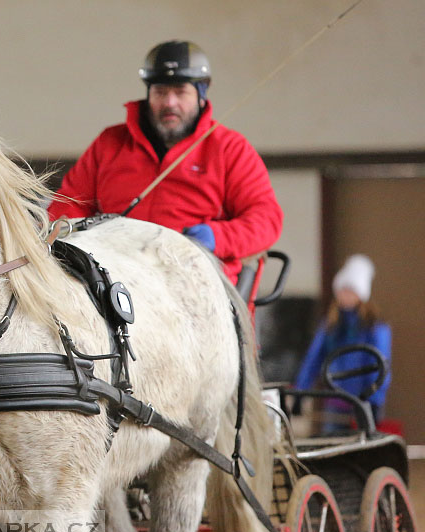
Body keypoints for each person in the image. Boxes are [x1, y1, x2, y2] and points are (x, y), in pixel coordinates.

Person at [48, 40, 283, 285]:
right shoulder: (110, 142)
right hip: (116, 274)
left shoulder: (230, 148)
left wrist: (217, 237)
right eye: (160, 92)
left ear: (201, 94)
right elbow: (69, 203)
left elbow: (266, 218)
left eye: (181, 91)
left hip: (197, 279)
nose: (170, 102)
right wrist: (79, 235)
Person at [294, 255, 391, 433]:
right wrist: (300, 392)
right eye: (342, 290)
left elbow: (379, 366)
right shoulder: (330, 325)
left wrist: (375, 400)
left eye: (350, 290)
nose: (344, 295)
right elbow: (313, 359)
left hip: (363, 401)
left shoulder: (375, 328)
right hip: (335, 400)